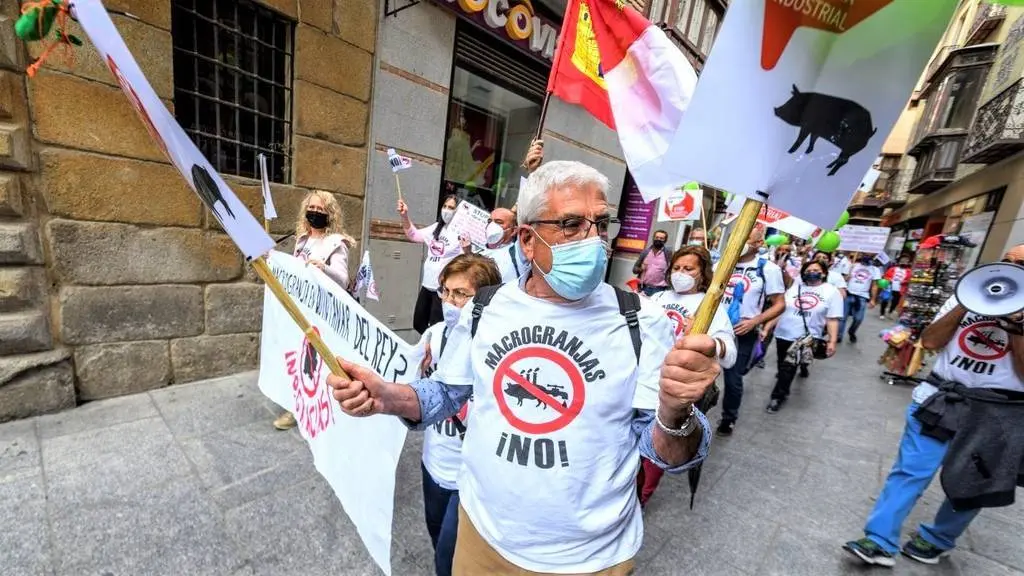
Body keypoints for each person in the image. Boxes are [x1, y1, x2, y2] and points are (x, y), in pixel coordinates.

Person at [328, 161, 716, 575]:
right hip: (481, 538)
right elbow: (444, 393)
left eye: (601, 223)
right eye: (570, 224)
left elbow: (670, 455)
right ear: (528, 241)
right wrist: (387, 396)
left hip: (589, 560)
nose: (593, 240)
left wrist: (676, 412)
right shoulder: (485, 307)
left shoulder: (641, 320)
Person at [843, 245, 1024, 568]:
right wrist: (967, 304)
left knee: (972, 480)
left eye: (1020, 265)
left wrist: (1016, 325)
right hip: (941, 397)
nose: (1011, 269)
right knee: (910, 469)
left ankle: (938, 538)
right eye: (1006, 261)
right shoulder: (967, 295)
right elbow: (929, 342)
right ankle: (880, 539)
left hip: (997, 411)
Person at [416, 254, 502, 576]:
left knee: (448, 560)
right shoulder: (434, 335)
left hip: (469, 475)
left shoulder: (497, 345)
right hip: (433, 462)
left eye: (460, 294)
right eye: (445, 291)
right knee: (437, 538)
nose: (449, 301)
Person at [639, 245, 736, 506]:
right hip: (642, 386)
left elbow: (729, 353)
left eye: (688, 268)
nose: (681, 273)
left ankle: (641, 500)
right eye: (677, 268)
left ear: (702, 273)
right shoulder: (656, 299)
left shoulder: (710, 306)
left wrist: (710, 343)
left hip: (674, 392)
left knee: (658, 452)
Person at [273, 190, 356, 431]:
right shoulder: (302, 240)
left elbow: (341, 279)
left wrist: (323, 268)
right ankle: (294, 407)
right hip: (300, 309)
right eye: (312, 209)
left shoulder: (336, 244)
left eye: (321, 210)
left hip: (321, 312)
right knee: (295, 358)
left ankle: (318, 406)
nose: (315, 213)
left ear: (330, 214)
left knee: (313, 363)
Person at [715, 226, 786, 436]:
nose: (740, 240)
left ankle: (729, 418)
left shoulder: (768, 269)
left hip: (743, 331)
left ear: (758, 244)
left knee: (733, 377)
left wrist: (755, 321)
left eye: (747, 238)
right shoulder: (722, 264)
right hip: (717, 327)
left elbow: (779, 304)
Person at [761, 259, 842, 413]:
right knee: (782, 365)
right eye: (808, 270)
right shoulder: (794, 288)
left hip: (805, 338)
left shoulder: (831, 292)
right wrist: (767, 327)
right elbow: (780, 310)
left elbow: (832, 319)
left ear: (824, 273)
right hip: (783, 334)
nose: (812, 272)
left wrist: (832, 341)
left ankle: (777, 397)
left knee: (788, 367)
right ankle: (784, 388)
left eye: (816, 270)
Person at [401, 194, 467, 334]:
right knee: (419, 323)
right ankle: (427, 347)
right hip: (427, 285)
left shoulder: (460, 233)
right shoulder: (436, 228)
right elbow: (413, 235)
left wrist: (468, 248)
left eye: (451, 208)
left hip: (442, 290)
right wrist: (405, 216)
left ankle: (432, 351)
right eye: (445, 206)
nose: (446, 210)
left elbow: (467, 259)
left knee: (437, 327)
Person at [839, 255, 881, 343]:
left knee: (858, 319)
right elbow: (844, 279)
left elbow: (874, 286)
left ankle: (852, 331)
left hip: (862, 297)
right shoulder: (853, 265)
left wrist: (873, 299)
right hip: (849, 294)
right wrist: (849, 272)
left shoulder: (875, 270)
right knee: (842, 318)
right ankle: (839, 336)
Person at [476, 207, 521, 283]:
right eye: (489, 221)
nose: (492, 225)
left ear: (513, 230)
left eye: (499, 222)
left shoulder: (517, 254)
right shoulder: (478, 251)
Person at [632, 229, 671, 296]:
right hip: (643, 288)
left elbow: (671, 271)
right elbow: (634, 270)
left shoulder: (668, 254)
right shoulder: (645, 252)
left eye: (661, 238)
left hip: (659, 290)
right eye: (656, 237)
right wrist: (641, 269)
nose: (658, 239)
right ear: (653, 238)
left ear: (665, 240)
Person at [880, 255, 912, 320]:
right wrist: (889, 280)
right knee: (885, 300)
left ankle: (890, 312)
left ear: (907, 264)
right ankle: (882, 313)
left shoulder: (908, 271)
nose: (903, 264)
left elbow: (909, 280)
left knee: (895, 302)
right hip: (889, 287)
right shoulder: (892, 269)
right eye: (902, 263)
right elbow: (885, 276)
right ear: (899, 263)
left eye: (905, 263)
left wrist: (904, 281)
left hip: (900, 289)